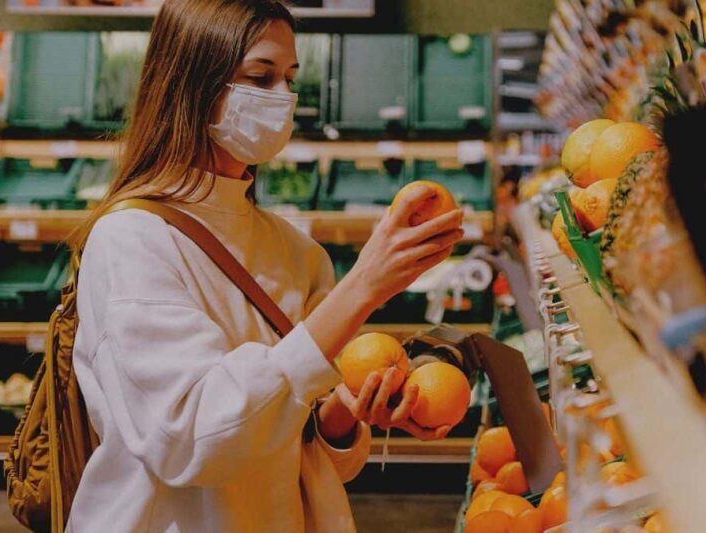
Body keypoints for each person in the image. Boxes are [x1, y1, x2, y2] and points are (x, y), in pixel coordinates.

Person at [65, 1, 464, 531]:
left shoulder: (293, 250)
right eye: (261, 77)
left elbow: (307, 446)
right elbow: (192, 440)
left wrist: (351, 412)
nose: (283, 99)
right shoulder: (131, 240)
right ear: (193, 84)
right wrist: (364, 285)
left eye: (290, 78)